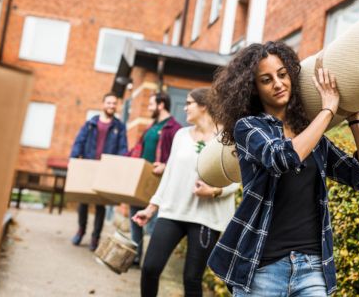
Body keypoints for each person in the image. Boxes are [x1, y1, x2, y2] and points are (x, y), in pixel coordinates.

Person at [206, 41, 359, 296]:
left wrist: (354, 118)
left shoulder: (312, 137)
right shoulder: (249, 128)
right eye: (266, 80)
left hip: (312, 268)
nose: (278, 84)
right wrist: (328, 110)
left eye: (282, 74)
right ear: (254, 89)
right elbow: (283, 157)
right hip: (262, 269)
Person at [132, 88, 239, 297]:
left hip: (206, 218)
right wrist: (151, 207)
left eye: (189, 103)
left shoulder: (227, 137)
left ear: (203, 106)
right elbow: (169, 174)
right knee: (150, 268)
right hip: (173, 212)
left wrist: (215, 190)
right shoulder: (181, 135)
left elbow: (238, 177)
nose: (185, 107)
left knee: (191, 279)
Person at [128, 92, 182, 265]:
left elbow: (179, 157)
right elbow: (137, 149)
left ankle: (152, 261)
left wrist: (165, 166)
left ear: (161, 105)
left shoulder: (175, 129)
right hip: (141, 179)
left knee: (153, 225)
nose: (149, 107)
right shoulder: (151, 127)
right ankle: (135, 256)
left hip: (159, 183)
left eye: (151, 104)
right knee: (135, 218)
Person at [70, 92, 128, 251]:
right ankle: (81, 230)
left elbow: (123, 148)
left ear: (117, 106)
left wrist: (120, 164)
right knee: (83, 202)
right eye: (109, 103)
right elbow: (79, 142)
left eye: (114, 103)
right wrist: (74, 160)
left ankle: (95, 237)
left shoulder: (119, 126)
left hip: (106, 170)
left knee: (100, 205)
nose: (111, 106)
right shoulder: (91, 123)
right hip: (89, 166)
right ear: (103, 104)